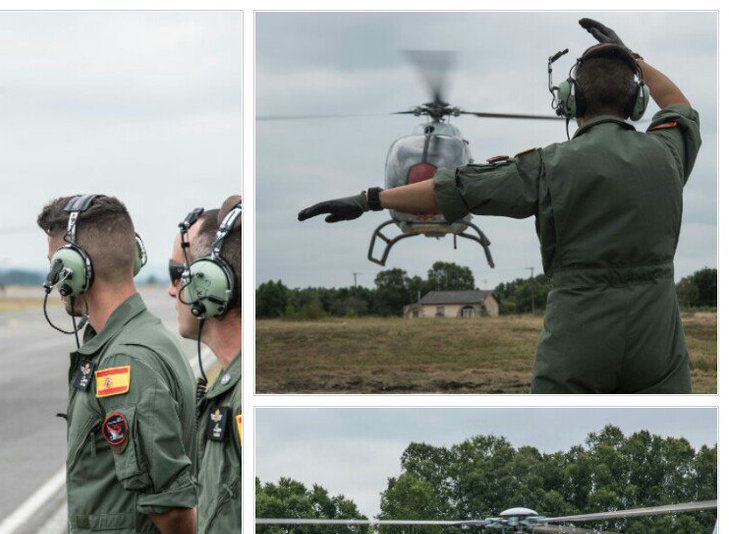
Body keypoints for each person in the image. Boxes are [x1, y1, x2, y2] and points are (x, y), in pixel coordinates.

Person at [299, 19, 701, 394]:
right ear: (637, 101)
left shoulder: (546, 166)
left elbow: (452, 188)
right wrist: (634, 59)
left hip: (579, 334)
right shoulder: (668, 152)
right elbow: (679, 105)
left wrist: (369, 199)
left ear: (570, 101)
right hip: (658, 335)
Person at [37, 194, 199, 534]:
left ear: (77, 269)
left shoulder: (125, 361)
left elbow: (169, 506)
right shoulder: (142, 339)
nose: (55, 281)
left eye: (56, 265)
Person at [169, 197, 242, 534]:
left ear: (208, 282)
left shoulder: (244, 396)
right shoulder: (229, 386)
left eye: (179, 274)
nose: (172, 290)